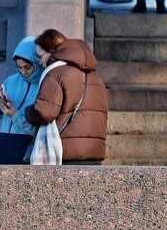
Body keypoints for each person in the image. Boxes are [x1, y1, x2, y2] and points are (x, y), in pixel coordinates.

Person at [25, 29, 109, 165]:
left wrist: (28, 112)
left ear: (52, 51)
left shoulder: (55, 74)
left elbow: (45, 113)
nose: (39, 62)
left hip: (65, 155)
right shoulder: (96, 79)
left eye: (39, 56)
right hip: (94, 155)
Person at [0, 36, 42, 165]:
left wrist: (15, 115)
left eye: (27, 67)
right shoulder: (11, 81)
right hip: (3, 146)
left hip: (27, 151)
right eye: (19, 67)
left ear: (37, 64)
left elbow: (40, 130)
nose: (23, 72)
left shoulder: (44, 84)